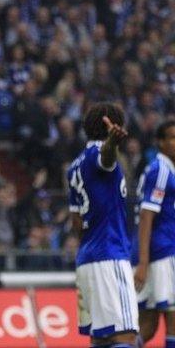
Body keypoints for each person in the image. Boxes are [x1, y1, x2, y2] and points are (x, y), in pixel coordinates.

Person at [67, 102, 138, 347]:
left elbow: (76, 221)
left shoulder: (74, 165)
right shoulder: (99, 153)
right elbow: (105, 158)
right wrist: (112, 143)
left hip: (87, 258)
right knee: (125, 335)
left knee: (101, 337)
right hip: (109, 253)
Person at [133, 120, 175, 348]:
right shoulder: (161, 170)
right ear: (160, 142)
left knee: (147, 326)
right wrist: (143, 261)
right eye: (172, 138)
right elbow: (147, 216)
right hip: (161, 253)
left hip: (155, 252)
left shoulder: (166, 170)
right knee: (173, 321)